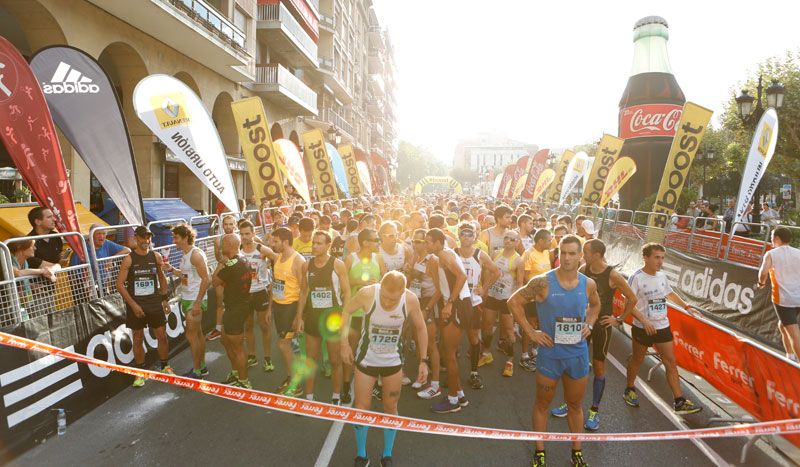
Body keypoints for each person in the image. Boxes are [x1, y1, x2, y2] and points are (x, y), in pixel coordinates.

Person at [507, 235, 600, 467]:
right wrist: (531, 333)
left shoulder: (588, 284)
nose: (567, 258)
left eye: (572, 253)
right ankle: (540, 451)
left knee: (576, 406)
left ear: (580, 256)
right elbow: (513, 302)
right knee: (542, 404)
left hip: (577, 355)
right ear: (558, 255)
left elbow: (596, 305)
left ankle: (576, 452)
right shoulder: (543, 282)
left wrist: (589, 324)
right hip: (550, 355)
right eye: (563, 253)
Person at [550, 239, 640, 431]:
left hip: (601, 326)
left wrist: (619, 319)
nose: (583, 255)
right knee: (572, 362)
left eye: (586, 252)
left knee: (599, 367)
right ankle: (571, 403)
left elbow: (632, 298)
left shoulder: (612, 275)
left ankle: (594, 410)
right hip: (583, 323)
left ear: (597, 254)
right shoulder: (584, 269)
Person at [341, 271, 428, 467]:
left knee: (391, 407)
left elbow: (421, 328)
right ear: (380, 287)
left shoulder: (411, 300)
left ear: (403, 292)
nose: (388, 303)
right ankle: (361, 455)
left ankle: (387, 455)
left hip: (393, 362)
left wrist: (423, 360)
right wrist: (344, 344)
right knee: (362, 408)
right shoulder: (368, 294)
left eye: (393, 299)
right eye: (385, 297)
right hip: (367, 361)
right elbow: (346, 311)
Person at [624, 243, 702, 415]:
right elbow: (628, 302)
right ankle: (629, 388)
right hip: (643, 327)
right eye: (656, 257)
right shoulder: (636, 277)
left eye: (662, 257)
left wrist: (687, 306)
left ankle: (679, 401)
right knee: (637, 359)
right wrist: (644, 321)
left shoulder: (662, 276)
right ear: (646, 257)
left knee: (670, 361)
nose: (660, 261)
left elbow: (670, 293)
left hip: (662, 325)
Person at [297, 230, 351, 404]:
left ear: (328, 245)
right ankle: (309, 397)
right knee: (311, 360)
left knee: (335, 361)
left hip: (332, 319)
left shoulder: (338, 264)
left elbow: (347, 292)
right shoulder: (306, 265)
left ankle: (335, 396)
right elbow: (304, 292)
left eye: (319, 243)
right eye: (314, 243)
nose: (315, 246)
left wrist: (344, 314)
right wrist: (299, 317)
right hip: (313, 318)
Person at [116, 226, 173, 386]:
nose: (146, 241)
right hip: (137, 304)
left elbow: (162, 278)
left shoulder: (156, 256)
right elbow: (119, 285)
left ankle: (165, 366)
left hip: (154, 302)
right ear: (136, 238)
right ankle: (140, 373)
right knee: (138, 337)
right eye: (143, 237)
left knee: (162, 335)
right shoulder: (129, 259)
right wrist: (133, 305)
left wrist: (164, 299)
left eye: (148, 238)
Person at [426, 228, 473, 413]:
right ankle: (459, 395)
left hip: (458, 305)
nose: (427, 244)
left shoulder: (445, 254)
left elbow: (462, 276)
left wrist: (449, 304)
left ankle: (453, 401)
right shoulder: (440, 257)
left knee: (449, 353)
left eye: (429, 241)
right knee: (448, 352)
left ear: (438, 242)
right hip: (456, 304)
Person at [343, 229, 387, 403]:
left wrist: (379, 285)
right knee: (351, 350)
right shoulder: (351, 259)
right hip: (355, 312)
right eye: (376, 240)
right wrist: (359, 282)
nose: (378, 242)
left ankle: (375, 384)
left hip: (374, 312)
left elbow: (386, 280)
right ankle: (346, 385)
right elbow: (342, 282)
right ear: (365, 242)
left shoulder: (379, 258)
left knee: (373, 348)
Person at [456, 222, 499, 388]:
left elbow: (496, 271)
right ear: (459, 236)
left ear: (475, 236)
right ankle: (452, 371)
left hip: (474, 302)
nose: (466, 237)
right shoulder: (453, 253)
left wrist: (484, 288)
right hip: (457, 300)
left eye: (469, 233)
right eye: (463, 233)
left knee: (473, 337)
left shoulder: (480, 254)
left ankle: (474, 372)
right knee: (453, 338)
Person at [165, 224, 210, 379]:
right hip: (187, 298)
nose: (174, 241)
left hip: (194, 300)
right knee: (197, 334)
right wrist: (171, 269)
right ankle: (202, 367)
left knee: (191, 336)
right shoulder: (185, 254)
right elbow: (186, 276)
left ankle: (197, 371)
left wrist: (197, 303)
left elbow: (207, 279)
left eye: (176, 237)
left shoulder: (196, 254)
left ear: (185, 238)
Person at [212, 233, 253, 388]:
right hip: (235, 307)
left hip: (235, 309)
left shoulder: (231, 264)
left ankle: (244, 381)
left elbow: (214, 281)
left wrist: (221, 264)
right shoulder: (243, 259)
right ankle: (236, 373)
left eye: (222, 244)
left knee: (237, 347)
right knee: (225, 341)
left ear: (229, 246)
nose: (221, 247)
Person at [270, 227, 306, 396]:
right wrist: (271, 307)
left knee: (283, 345)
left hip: (290, 307)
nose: (272, 244)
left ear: (285, 242)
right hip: (279, 307)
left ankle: (296, 384)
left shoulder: (298, 260)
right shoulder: (278, 257)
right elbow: (275, 283)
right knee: (285, 345)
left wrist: (299, 317)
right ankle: (291, 377)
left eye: (276, 241)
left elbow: (304, 290)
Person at [239, 220, 277, 372]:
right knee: (247, 326)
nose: (244, 237)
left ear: (254, 234)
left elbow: (278, 259)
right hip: (244, 294)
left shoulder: (262, 249)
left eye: (247, 234)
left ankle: (267, 359)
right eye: (241, 234)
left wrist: (273, 275)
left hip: (260, 291)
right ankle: (252, 356)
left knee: (264, 326)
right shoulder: (238, 250)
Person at [758, 227, 800, 361]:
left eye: (771, 239)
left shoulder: (771, 254)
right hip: (798, 297)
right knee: (782, 326)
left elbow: (763, 273)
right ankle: (790, 356)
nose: (771, 242)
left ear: (777, 239)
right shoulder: (798, 253)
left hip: (783, 299)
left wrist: (761, 283)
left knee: (793, 333)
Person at [484, 229, 521, 377]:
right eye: (506, 238)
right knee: (487, 325)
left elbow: (519, 283)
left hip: (507, 299)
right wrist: (485, 288)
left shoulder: (518, 260)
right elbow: (489, 272)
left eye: (512, 239)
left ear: (517, 242)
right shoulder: (495, 253)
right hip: (493, 295)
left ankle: (510, 361)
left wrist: (516, 302)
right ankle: (486, 353)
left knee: (508, 330)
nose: (508, 241)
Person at [517, 228, 554, 371]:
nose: (551, 242)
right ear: (540, 241)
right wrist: (534, 294)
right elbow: (525, 277)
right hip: (532, 297)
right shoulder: (529, 254)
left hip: (545, 297)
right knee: (530, 325)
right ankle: (524, 356)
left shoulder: (546, 252)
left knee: (541, 324)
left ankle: (535, 351)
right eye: (549, 240)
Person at [208, 214, 238, 341]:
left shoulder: (240, 238)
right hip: (223, 270)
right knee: (221, 302)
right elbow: (218, 258)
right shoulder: (218, 241)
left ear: (235, 225)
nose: (228, 227)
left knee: (237, 302)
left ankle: (239, 328)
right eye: (226, 224)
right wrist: (223, 264)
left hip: (237, 271)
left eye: (231, 224)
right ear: (222, 226)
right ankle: (218, 329)